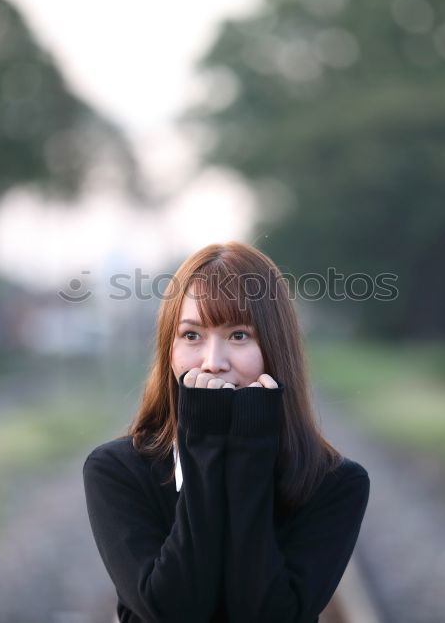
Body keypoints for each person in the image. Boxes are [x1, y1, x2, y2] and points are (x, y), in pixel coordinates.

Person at [82, 241, 370, 622]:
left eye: (238, 336)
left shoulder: (334, 483)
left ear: (274, 348)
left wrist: (248, 456)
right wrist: (204, 449)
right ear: (168, 349)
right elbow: (171, 611)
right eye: (191, 335)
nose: (213, 362)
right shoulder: (117, 470)